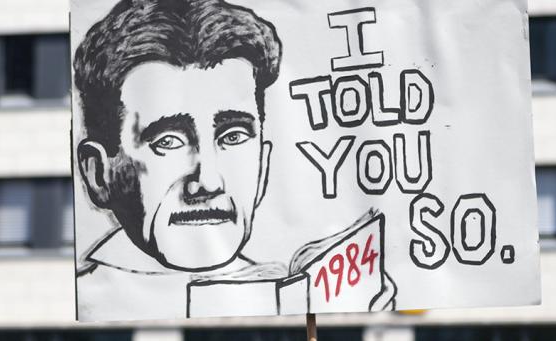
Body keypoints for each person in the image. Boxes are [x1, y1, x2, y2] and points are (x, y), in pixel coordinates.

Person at [72, 0, 392, 320]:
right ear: (99, 174)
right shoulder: (87, 304)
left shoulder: (287, 293)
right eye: (168, 142)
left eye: (233, 137)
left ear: (263, 164)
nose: (207, 182)